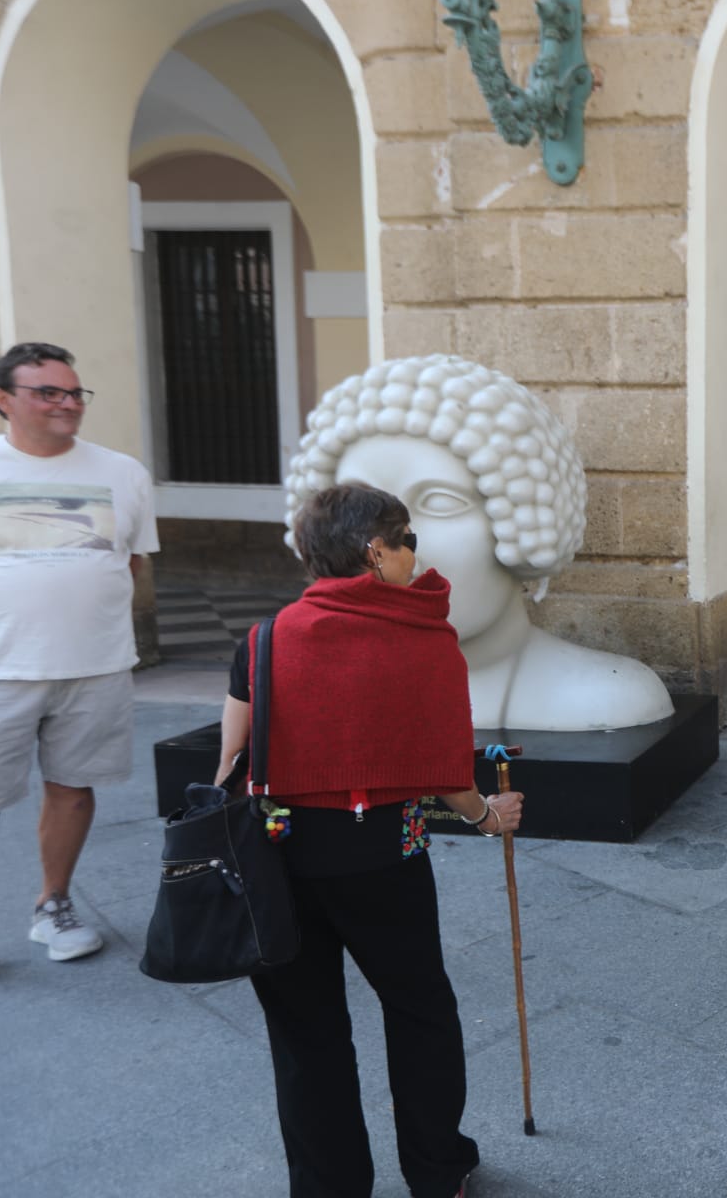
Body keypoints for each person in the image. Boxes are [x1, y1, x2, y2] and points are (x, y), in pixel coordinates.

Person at [217, 482, 524, 1198]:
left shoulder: (263, 640)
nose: (416, 552)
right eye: (408, 539)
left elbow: (231, 762)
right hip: (384, 857)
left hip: (278, 860)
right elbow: (448, 775)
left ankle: (329, 1186)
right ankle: (438, 1172)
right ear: (374, 551)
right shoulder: (424, 638)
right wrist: (488, 817)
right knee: (420, 1013)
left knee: (306, 1034)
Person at [288, 355, 672, 730]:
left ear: (527, 519)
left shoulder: (605, 698)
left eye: (439, 502)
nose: (393, 554)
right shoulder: (293, 678)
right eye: (355, 515)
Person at [0, 341, 157, 962]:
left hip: (96, 665)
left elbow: (131, 562)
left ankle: (53, 905)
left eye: (75, 391)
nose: (68, 403)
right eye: (48, 392)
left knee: (75, 790)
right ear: (3, 399)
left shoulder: (123, 472)